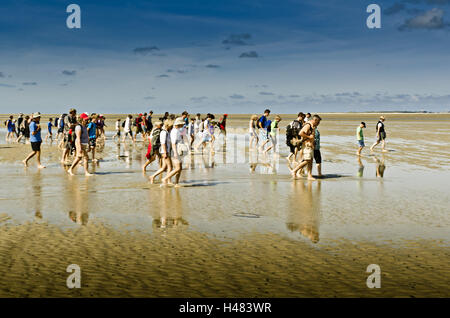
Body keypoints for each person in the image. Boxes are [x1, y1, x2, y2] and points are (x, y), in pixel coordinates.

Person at [290, 115, 322, 181]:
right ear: (315, 120)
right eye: (318, 122)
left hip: (310, 146)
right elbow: (300, 133)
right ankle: (294, 170)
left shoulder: (312, 126)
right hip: (307, 146)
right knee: (307, 160)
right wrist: (309, 137)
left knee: (310, 161)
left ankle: (309, 176)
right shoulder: (308, 125)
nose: (318, 124)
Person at [162, 117, 185, 186]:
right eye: (182, 124)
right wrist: (175, 153)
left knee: (180, 168)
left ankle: (176, 183)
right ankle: (165, 179)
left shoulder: (177, 130)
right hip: (175, 151)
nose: (183, 125)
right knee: (177, 168)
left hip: (178, 150)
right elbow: (173, 143)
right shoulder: (174, 131)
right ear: (179, 124)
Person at [149, 119, 173, 184]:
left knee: (163, 167)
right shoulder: (164, 132)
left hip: (165, 151)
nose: (172, 127)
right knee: (170, 167)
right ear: (168, 125)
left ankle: (152, 176)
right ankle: (168, 181)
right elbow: (163, 143)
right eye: (171, 126)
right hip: (164, 152)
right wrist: (165, 152)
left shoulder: (167, 132)